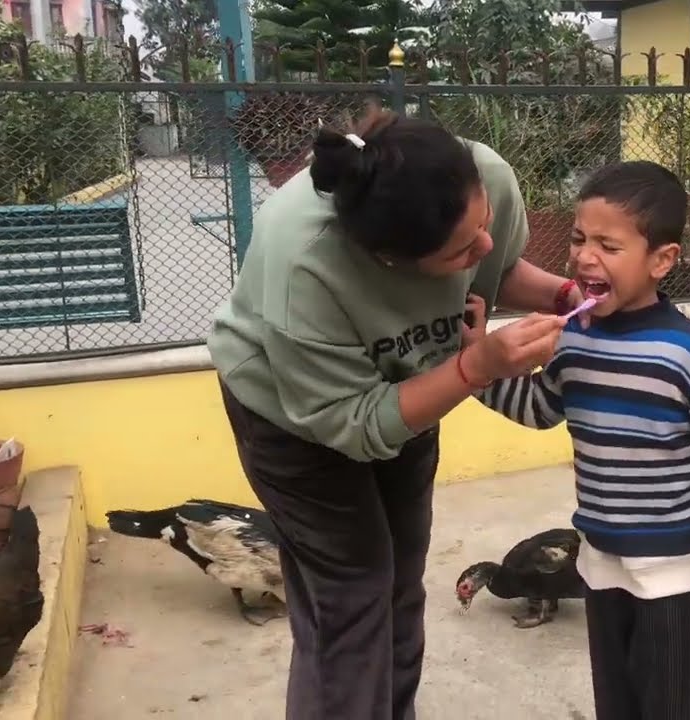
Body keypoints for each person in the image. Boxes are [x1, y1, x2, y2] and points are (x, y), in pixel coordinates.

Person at [206, 106, 586, 720]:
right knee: (353, 591)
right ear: (387, 259)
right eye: (460, 251)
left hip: (413, 382)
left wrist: (568, 297)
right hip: (294, 415)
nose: (483, 245)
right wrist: (474, 368)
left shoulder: (480, 176)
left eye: (483, 223)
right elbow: (357, 425)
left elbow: (497, 267)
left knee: (401, 578)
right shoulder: (306, 262)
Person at [468, 161, 690, 719]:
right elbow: (538, 408)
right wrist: (474, 368)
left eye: (608, 245)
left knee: (670, 703)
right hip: (599, 558)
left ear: (662, 260)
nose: (584, 256)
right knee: (616, 697)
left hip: (669, 571)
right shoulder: (575, 338)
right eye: (580, 239)